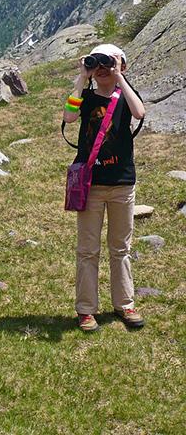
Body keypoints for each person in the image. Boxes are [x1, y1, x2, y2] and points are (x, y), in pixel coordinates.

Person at [62, 43, 146, 332]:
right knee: (87, 249)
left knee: (120, 248)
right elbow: (69, 117)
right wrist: (81, 79)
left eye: (107, 63)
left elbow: (139, 112)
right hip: (91, 184)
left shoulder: (125, 95)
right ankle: (86, 309)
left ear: (122, 63)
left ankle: (125, 304)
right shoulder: (85, 97)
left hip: (122, 181)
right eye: (98, 63)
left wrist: (119, 74)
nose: (103, 68)